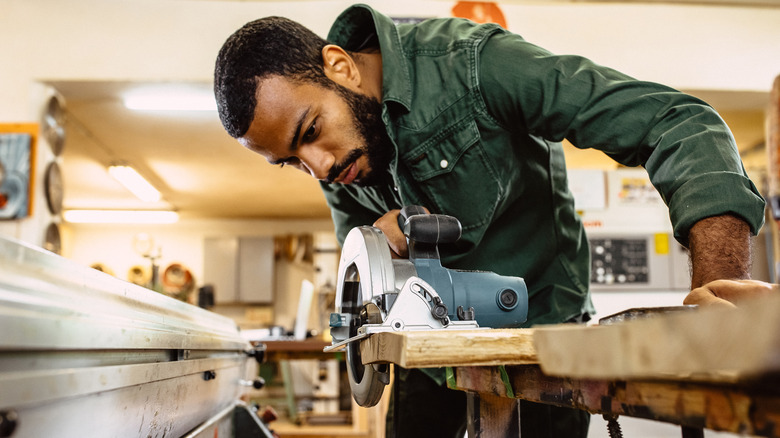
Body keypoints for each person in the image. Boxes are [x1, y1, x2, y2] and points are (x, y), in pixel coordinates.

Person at [213, 5, 766, 437]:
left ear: (340, 66)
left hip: (543, 341)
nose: (320, 168)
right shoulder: (341, 165)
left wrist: (718, 292)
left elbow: (678, 124)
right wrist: (380, 248)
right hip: (429, 355)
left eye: (310, 132)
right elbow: (366, 282)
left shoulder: (475, 66)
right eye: (290, 161)